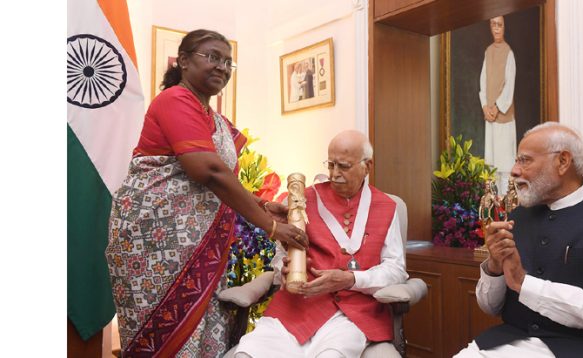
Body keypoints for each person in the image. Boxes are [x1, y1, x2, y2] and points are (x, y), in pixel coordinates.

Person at [105, 29, 308, 358]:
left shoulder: (213, 118)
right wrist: (271, 227)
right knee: (164, 337)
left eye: (228, 62)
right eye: (212, 57)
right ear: (183, 61)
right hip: (155, 244)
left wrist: (262, 204)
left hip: (196, 246)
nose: (222, 67)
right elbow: (208, 171)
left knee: (201, 334)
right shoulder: (175, 99)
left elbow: (222, 177)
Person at [455, 122, 583, 357]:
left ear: (563, 161)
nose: (515, 170)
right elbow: (490, 307)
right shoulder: (516, 217)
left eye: (524, 160)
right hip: (504, 344)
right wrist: (494, 268)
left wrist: (524, 283)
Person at [230, 130, 409, 358]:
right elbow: (278, 263)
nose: (334, 174)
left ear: (367, 166)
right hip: (296, 308)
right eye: (330, 164)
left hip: (353, 314)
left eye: (343, 166)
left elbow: (395, 270)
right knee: (247, 354)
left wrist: (351, 279)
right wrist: (282, 269)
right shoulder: (299, 201)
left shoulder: (387, 207)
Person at [479, 15, 517, 193]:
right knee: (493, 166)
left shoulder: (509, 53)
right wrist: (485, 107)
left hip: (503, 118)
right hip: (491, 117)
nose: (496, 29)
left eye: (499, 25)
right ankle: (494, 208)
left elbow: (509, 87)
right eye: (493, 24)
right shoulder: (488, 51)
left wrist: (496, 108)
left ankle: (506, 207)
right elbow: (483, 82)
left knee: (505, 166)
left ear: (504, 27)